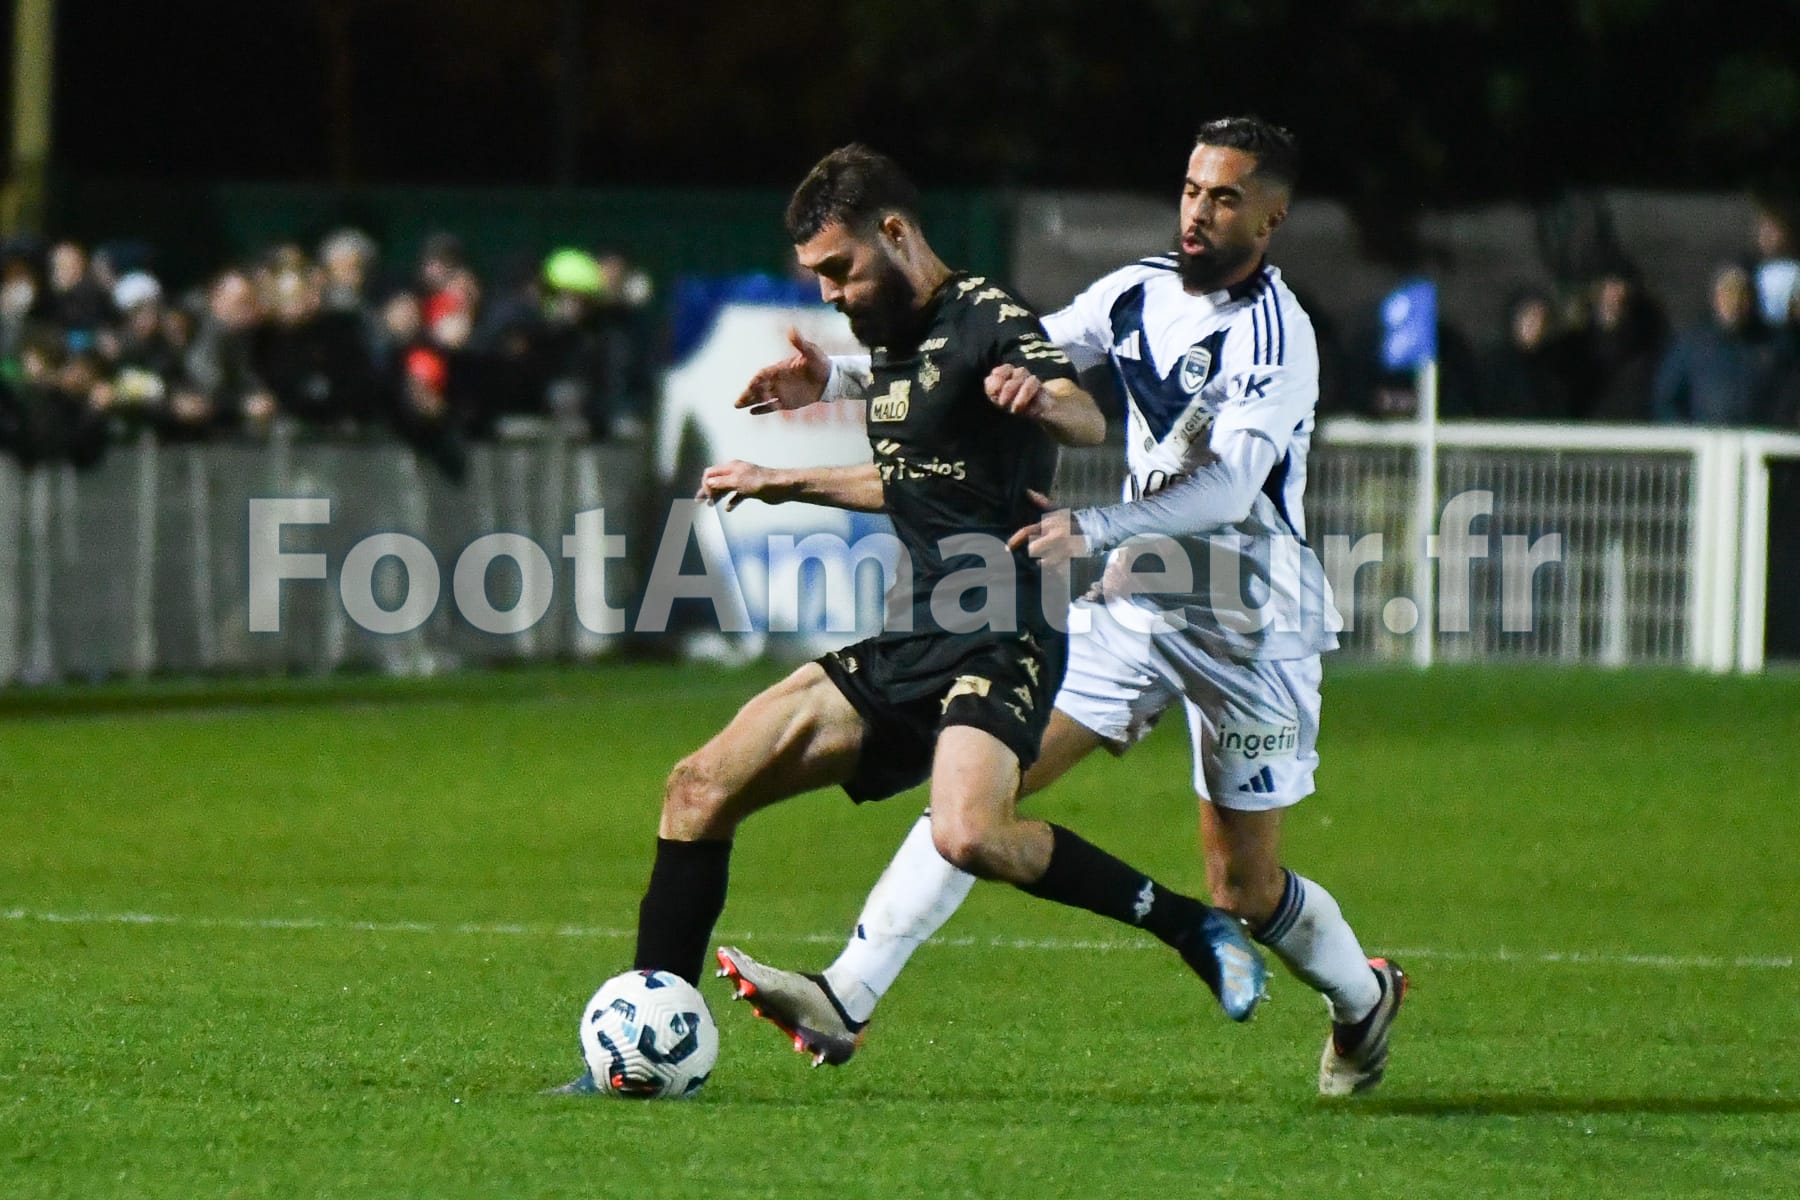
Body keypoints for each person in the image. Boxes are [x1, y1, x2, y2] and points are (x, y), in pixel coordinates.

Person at [714, 118, 1406, 1098]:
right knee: (979, 787)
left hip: (1252, 623)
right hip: (1136, 609)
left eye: (1225, 197)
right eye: (1191, 189)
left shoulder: (1274, 334)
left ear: (1273, 214)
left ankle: (1361, 1001)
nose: (1199, 211)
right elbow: (1008, 353)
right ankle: (848, 995)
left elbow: (1228, 492)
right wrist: (839, 379)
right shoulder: (1135, 292)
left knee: (1243, 890)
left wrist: (1097, 527)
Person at [563, 144, 1268, 1094]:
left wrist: (1046, 403)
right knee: (697, 788)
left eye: (837, 269)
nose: (827, 292)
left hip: (1005, 625)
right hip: (916, 631)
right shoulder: (894, 340)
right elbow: (912, 478)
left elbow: (1081, 412)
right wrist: (783, 478)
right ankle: (641, 1056)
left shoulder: (989, 317)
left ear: (895, 234)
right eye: (815, 276)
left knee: (970, 835)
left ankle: (1190, 922)